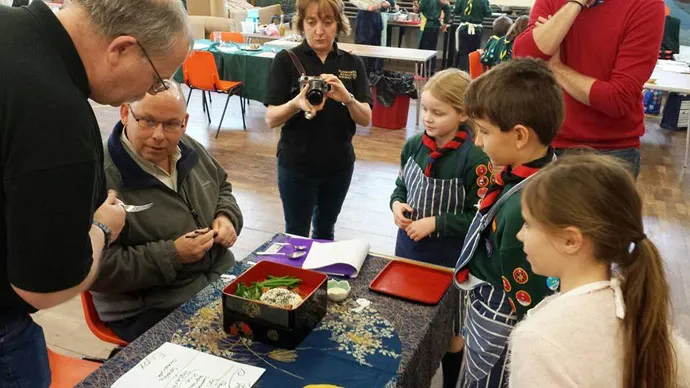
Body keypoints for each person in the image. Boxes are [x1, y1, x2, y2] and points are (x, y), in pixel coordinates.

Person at [0, 0, 191, 385]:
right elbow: (44, 289)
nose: (149, 91)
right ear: (121, 49)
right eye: (156, 80)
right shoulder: (57, 116)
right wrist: (102, 228)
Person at [510, 153, 690, 387]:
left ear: (570, 240)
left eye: (528, 224)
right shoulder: (640, 312)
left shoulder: (539, 341)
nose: (519, 234)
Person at [90, 80, 243, 342]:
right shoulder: (98, 176)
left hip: (217, 277)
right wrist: (174, 255)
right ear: (125, 113)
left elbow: (222, 187)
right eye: (147, 121)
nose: (159, 135)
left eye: (171, 124)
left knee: (284, 315)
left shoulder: (189, 148)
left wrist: (226, 216)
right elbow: (93, 268)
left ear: (184, 122)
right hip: (149, 308)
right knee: (238, 349)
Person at [452, 58, 563, 387]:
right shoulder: (533, 175)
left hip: (504, 317)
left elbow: (530, 301)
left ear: (519, 136)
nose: (477, 141)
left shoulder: (523, 210)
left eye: (484, 132)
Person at [390, 68, 490, 388]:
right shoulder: (413, 146)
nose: (428, 118)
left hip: (450, 257)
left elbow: (480, 218)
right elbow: (400, 187)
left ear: (462, 113)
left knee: (451, 329)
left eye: (438, 112)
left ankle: (449, 382)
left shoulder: (475, 158)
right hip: (408, 249)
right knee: (409, 315)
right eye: (424, 109)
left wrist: (436, 223)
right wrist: (396, 205)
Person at [513, 0, 666, 178]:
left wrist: (556, 68)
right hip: (545, 143)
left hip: (608, 152)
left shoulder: (646, 4)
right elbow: (524, 59)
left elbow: (617, 100)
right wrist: (575, 3)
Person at [265, 0, 372, 240]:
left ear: (339, 24)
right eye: (311, 22)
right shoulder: (286, 60)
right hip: (296, 165)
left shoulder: (352, 64)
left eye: (327, 22)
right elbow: (271, 118)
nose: (319, 30)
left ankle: (321, 278)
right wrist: (296, 103)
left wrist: (347, 98)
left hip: (339, 166)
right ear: (301, 24)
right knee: (296, 235)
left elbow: (366, 118)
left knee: (326, 233)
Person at [352, 0, 394, 76]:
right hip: (365, 16)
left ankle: (374, 77)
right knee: (362, 49)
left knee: (376, 48)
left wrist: (387, 3)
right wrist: (366, 6)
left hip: (377, 15)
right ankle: (362, 77)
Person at [414, 0, 451, 75]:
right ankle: (431, 70)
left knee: (424, 50)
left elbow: (417, 10)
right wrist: (445, 23)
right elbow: (447, 8)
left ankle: (424, 71)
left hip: (427, 26)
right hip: (435, 27)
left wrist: (415, 3)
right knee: (432, 50)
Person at [453, 0, 491, 71]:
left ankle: (463, 72)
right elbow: (488, 13)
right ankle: (473, 73)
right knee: (474, 53)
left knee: (463, 53)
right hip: (477, 30)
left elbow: (456, 11)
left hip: (464, 29)